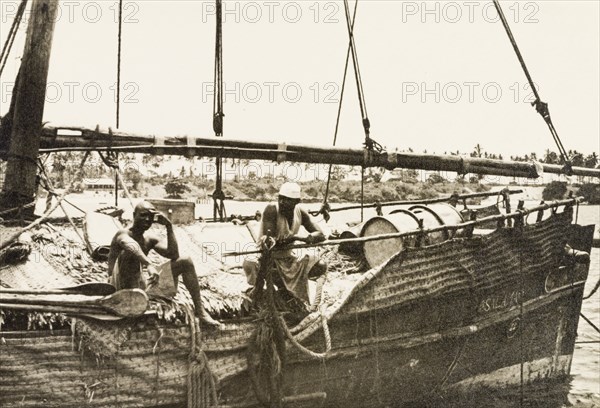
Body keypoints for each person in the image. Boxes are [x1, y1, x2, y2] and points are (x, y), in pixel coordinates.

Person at [107, 201, 220, 326]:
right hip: (119, 290)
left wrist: (169, 226)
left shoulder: (148, 238)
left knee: (185, 261)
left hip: (142, 288)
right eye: (143, 215)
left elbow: (173, 255)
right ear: (134, 215)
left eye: (150, 217)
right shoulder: (123, 234)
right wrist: (148, 264)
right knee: (128, 253)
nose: (147, 219)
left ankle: (200, 310)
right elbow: (131, 245)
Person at [243, 182, 326, 306]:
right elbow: (268, 242)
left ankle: (287, 292)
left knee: (320, 265)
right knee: (251, 263)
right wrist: (276, 241)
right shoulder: (272, 209)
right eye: (280, 198)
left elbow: (320, 234)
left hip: (287, 258)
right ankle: (267, 292)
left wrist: (298, 237)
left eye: (287, 200)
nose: (282, 202)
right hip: (268, 258)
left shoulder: (300, 212)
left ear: (296, 201)